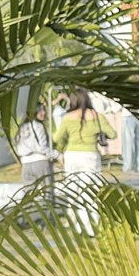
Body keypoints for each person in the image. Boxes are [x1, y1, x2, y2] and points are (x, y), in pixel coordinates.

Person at [52, 88, 107, 227]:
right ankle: (91, 225)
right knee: (90, 190)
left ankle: (75, 224)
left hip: (71, 156)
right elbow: (111, 133)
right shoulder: (95, 115)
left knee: (72, 190)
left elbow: (57, 138)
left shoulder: (67, 117)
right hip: (90, 156)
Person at [15, 102, 52, 184]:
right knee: (47, 189)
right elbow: (42, 148)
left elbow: (18, 148)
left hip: (26, 164)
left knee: (29, 190)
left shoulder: (22, 127)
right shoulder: (39, 126)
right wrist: (57, 155)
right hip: (40, 161)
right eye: (40, 110)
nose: (43, 113)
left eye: (43, 110)